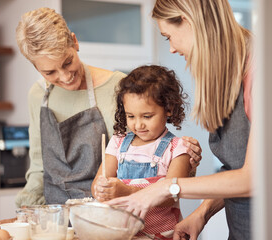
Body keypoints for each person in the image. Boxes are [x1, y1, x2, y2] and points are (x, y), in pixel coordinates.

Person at [0, 6, 203, 227]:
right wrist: (26, 217)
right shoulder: (38, 96)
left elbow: (149, 155)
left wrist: (187, 162)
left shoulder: (117, 87)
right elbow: (38, 168)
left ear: (75, 42)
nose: (64, 77)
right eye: (49, 72)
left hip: (103, 220)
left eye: (67, 62)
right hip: (53, 219)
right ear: (35, 67)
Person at [107, 1, 253, 240]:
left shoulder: (260, 68)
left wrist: (167, 186)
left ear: (189, 19)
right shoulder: (231, 70)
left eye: (168, 37)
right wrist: (202, 213)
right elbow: (235, 171)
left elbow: (255, 177)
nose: (172, 49)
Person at [92, 65, 192, 239]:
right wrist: (101, 189)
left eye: (147, 116)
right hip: (124, 234)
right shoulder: (118, 142)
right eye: (131, 116)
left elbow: (171, 196)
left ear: (168, 109)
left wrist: (127, 191)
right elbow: (96, 185)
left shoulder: (177, 148)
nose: (138, 125)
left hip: (162, 235)